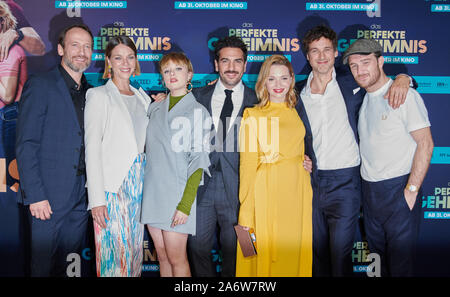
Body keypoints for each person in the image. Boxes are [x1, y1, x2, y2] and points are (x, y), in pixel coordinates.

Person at [295, 25, 413, 276]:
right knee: (315, 256)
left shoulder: (352, 80)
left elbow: (386, 84)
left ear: (336, 52)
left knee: (340, 257)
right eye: (315, 51)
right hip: (311, 182)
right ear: (307, 56)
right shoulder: (296, 92)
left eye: (327, 49)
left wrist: (405, 78)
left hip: (347, 184)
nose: (322, 56)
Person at [343, 38, 433, 276]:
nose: (360, 70)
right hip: (371, 195)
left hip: (398, 191)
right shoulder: (363, 99)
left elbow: (426, 143)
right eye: (354, 66)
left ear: (381, 61)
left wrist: (411, 190)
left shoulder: (405, 96)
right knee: (377, 267)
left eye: (365, 62)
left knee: (401, 267)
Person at [15, 24, 93, 276]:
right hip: (46, 199)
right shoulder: (41, 84)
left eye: (87, 47)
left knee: (71, 267)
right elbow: (26, 143)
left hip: (81, 199)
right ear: (60, 49)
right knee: (42, 267)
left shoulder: (93, 93)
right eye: (75, 45)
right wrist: (35, 195)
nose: (82, 52)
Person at [186, 36, 258, 277]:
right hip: (201, 186)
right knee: (197, 248)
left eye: (237, 61)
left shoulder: (258, 102)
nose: (231, 67)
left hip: (240, 191)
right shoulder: (195, 96)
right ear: (216, 64)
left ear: (245, 65)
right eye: (225, 60)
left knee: (240, 250)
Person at [236, 54, 313, 276]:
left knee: (294, 253)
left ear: (291, 80)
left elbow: (300, 147)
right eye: (271, 79)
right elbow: (247, 166)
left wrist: (306, 162)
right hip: (267, 192)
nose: (278, 85)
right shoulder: (253, 115)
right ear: (263, 82)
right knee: (257, 255)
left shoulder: (296, 111)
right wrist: (245, 213)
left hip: (298, 192)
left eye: (283, 78)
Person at [141, 52, 211, 277]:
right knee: (162, 257)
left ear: (189, 74)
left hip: (177, 196)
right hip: (152, 194)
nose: (172, 74)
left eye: (178, 69)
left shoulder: (198, 111)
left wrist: (185, 204)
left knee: (177, 258)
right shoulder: (155, 107)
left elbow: (199, 162)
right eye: (167, 70)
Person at [84, 35, 150, 277]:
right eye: (118, 57)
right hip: (112, 191)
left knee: (133, 259)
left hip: (139, 189)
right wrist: (97, 199)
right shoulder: (99, 95)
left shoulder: (142, 97)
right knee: (112, 261)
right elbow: (92, 149)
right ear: (108, 61)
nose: (125, 63)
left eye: (130, 57)